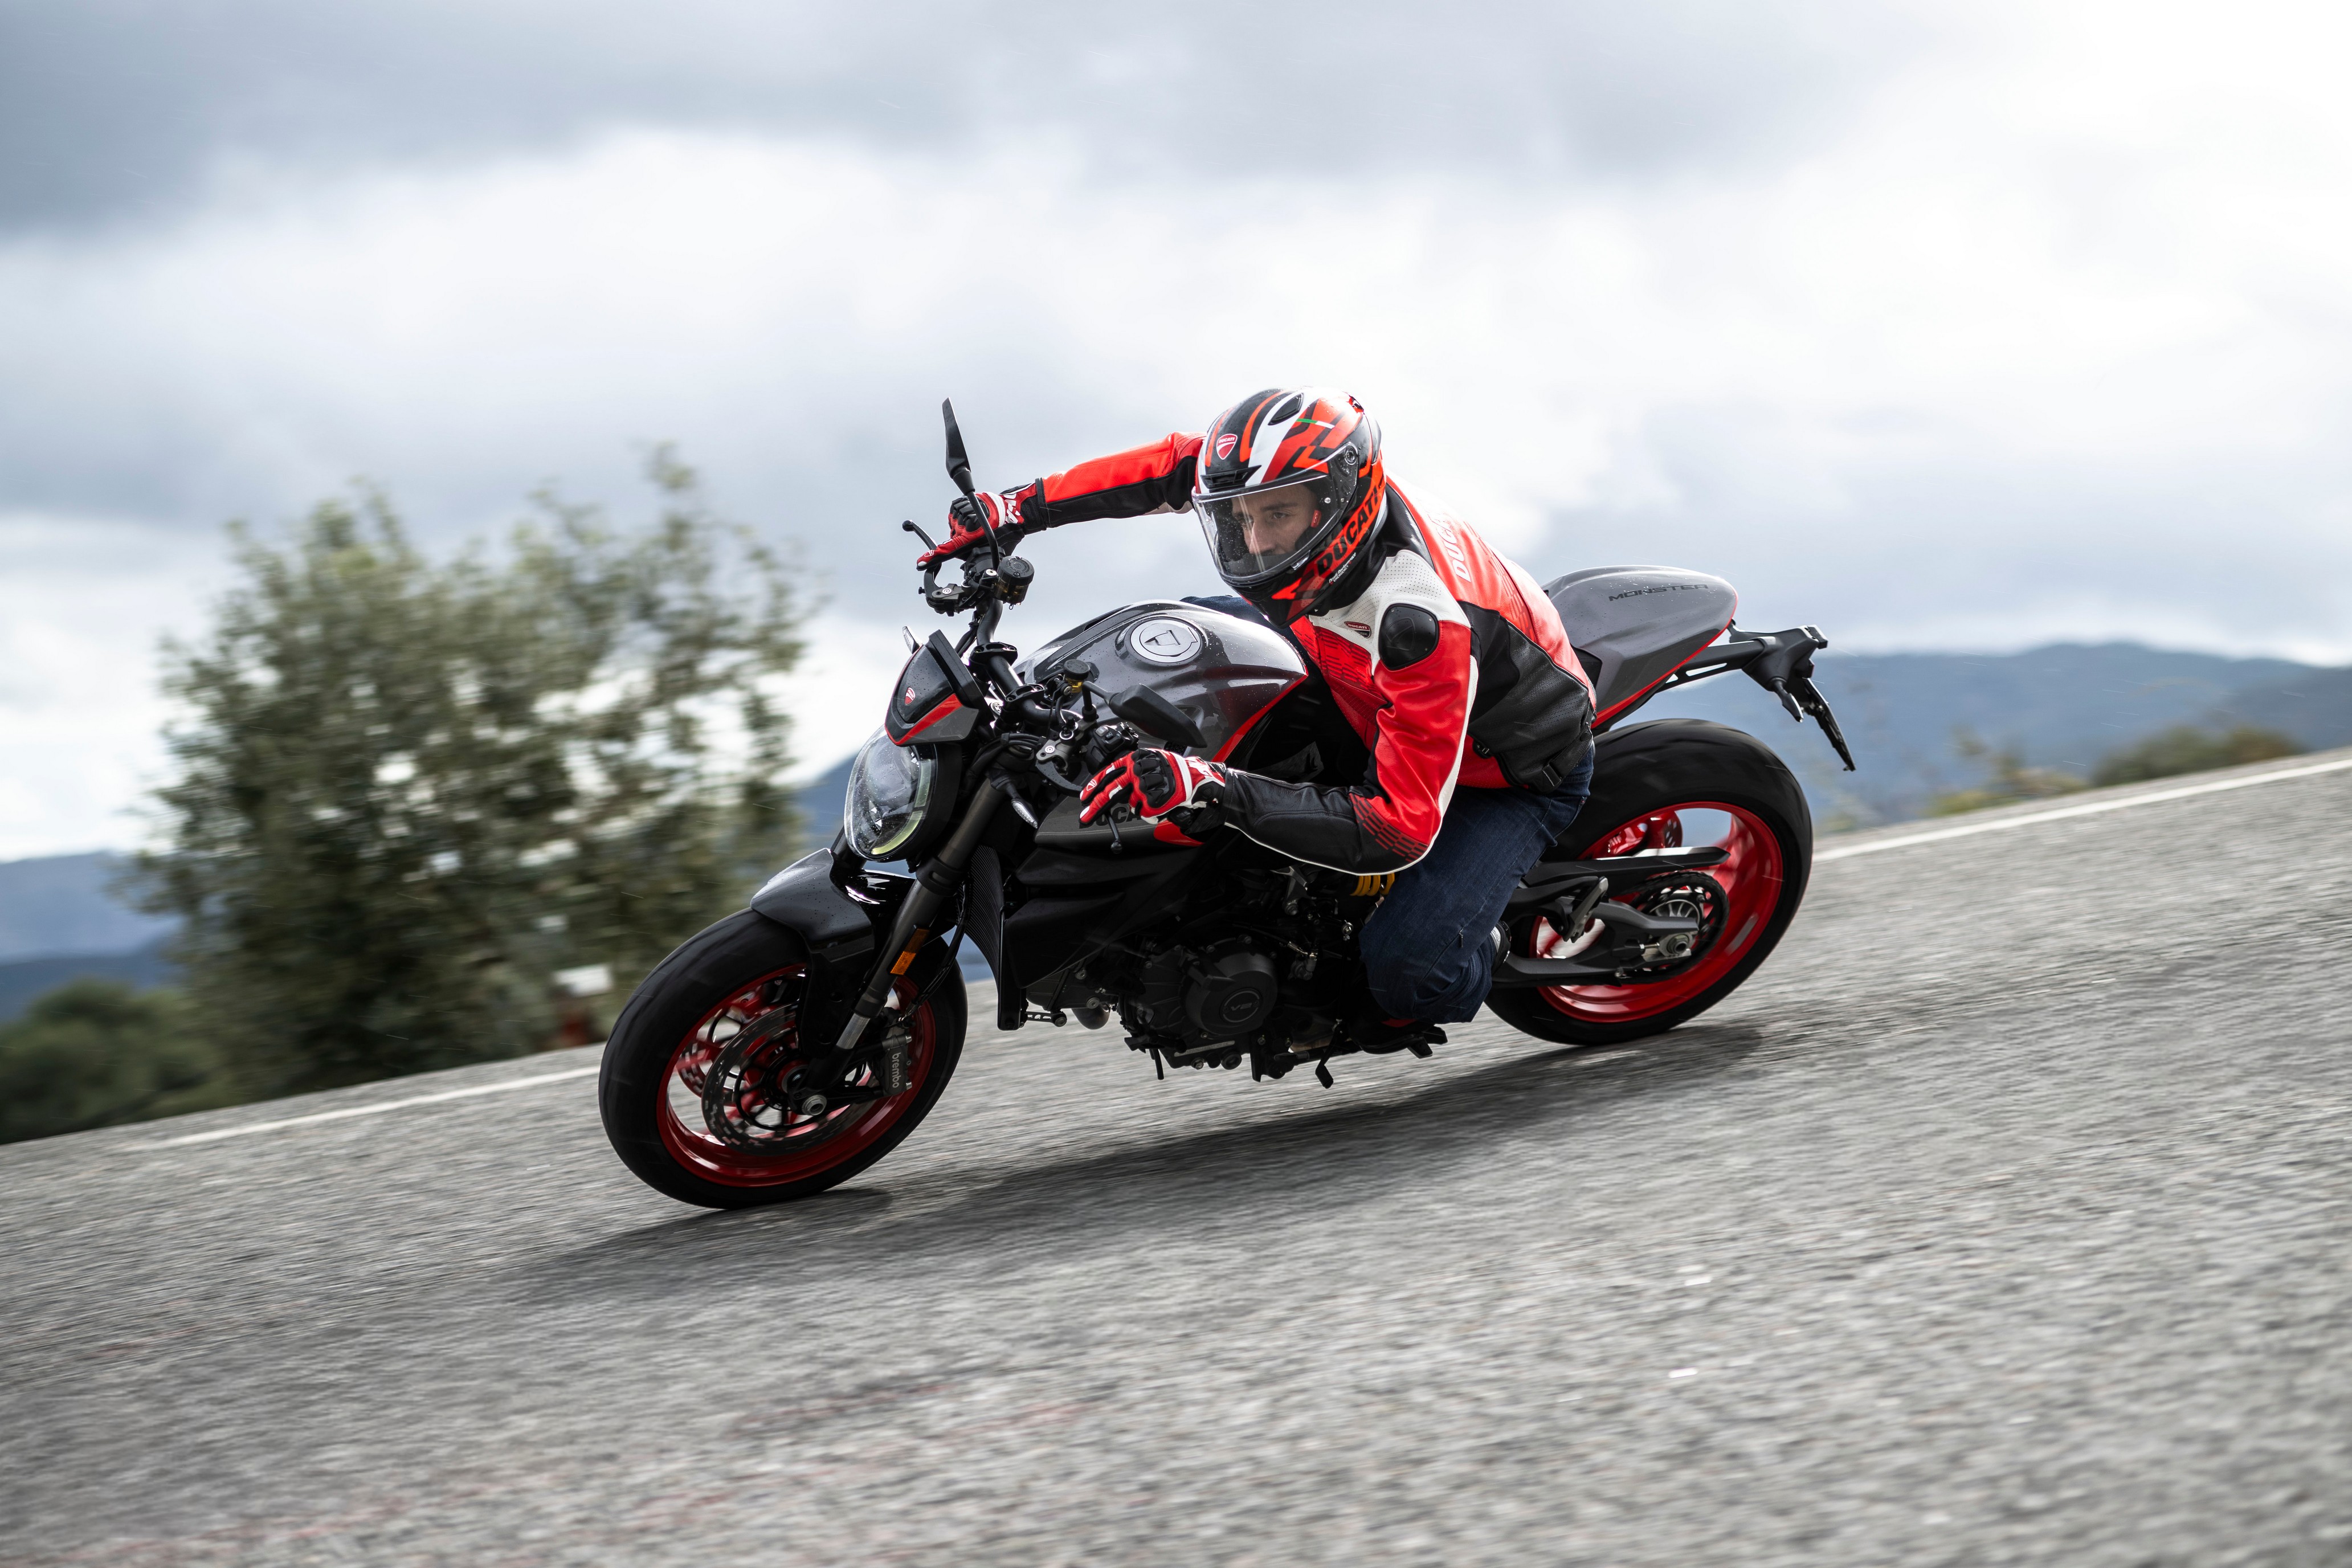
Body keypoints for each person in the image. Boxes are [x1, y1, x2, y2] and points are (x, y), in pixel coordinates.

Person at [920, 387, 1596, 1039]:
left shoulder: (1416, 626)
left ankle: (1486, 939)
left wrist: (1213, 787)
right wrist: (1013, 509)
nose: (1256, 540)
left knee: (1406, 975)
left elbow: (1396, 829)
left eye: (1276, 516)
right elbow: (1168, 467)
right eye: (1238, 518)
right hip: (1346, 662)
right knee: (1163, 646)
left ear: (1337, 505)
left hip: (1504, 769)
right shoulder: (1298, 495)